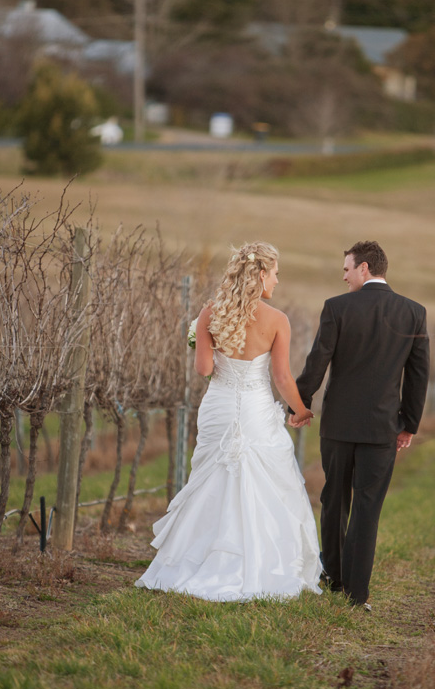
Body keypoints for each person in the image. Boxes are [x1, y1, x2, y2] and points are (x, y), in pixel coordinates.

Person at [136, 242, 322, 602]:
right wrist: (300, 410)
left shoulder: (210, 313)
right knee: (263, 482)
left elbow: (204, 369)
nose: (278, 281)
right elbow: (282, 378)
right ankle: (262, 563)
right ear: (261, 276)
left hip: (219, 405)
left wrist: (204, 343)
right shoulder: (277, 320)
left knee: (212, 481)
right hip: (254, 408)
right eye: (276, 273)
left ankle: (198, 560)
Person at [288, 240, 430, 610]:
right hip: (383, 428)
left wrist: (299, 404)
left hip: (337, 425)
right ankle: (357, 594)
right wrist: (409, 424)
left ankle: (333, 577)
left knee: (334, 500)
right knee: (368, 506)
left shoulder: (337, 307)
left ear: (365, 268)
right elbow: (418, 375)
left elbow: (317, 362)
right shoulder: (413, 312)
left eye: (348, 268)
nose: (345, 275)